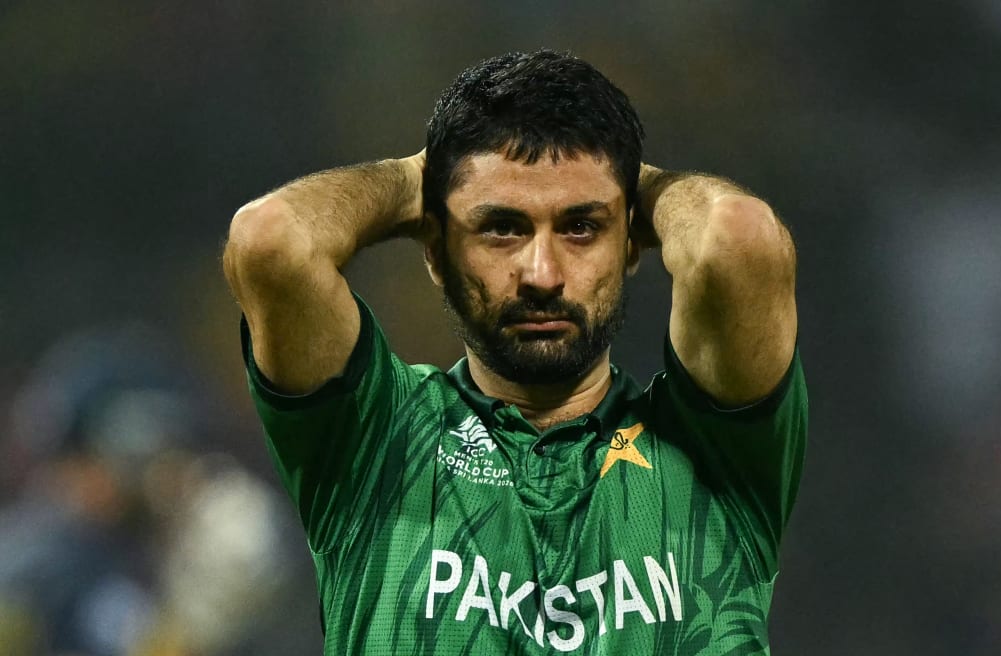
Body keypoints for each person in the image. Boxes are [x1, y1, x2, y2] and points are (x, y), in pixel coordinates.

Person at [223, 50, 806, 655]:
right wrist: (415, 180)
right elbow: (272, 241)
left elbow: (737, 239)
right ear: (435, 250)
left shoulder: (716, 449)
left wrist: (636, 182)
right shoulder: (372, 441)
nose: (543, 274)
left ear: (632, 241)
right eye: (501, 227)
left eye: (582, 226)